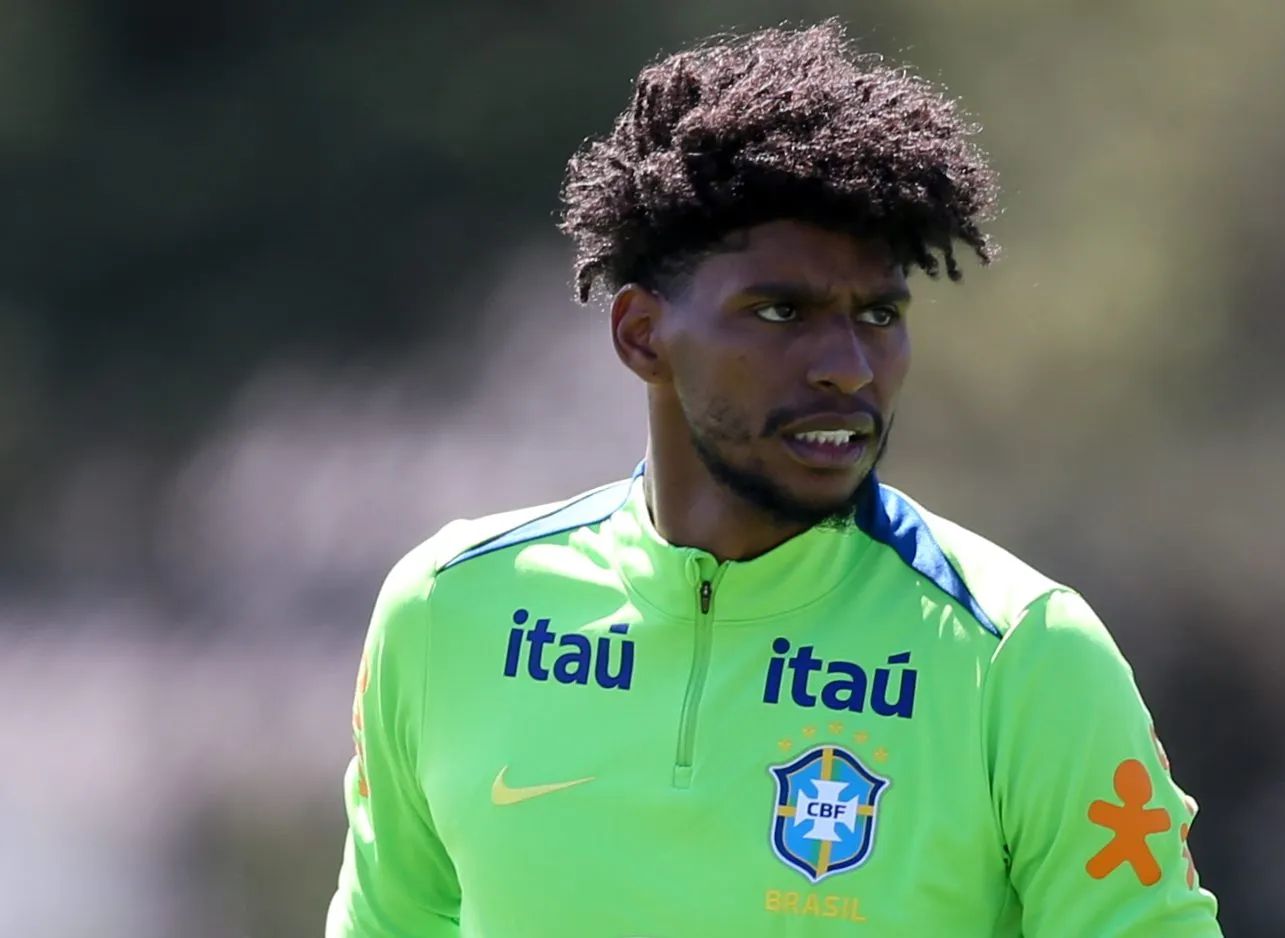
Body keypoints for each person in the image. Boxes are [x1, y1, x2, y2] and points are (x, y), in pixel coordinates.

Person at [326, 18, 1223, 938]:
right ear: (643, 335)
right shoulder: (448, 610)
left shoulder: (1022, 655)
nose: (847, 366)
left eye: (877, 314)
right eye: (781, 310)